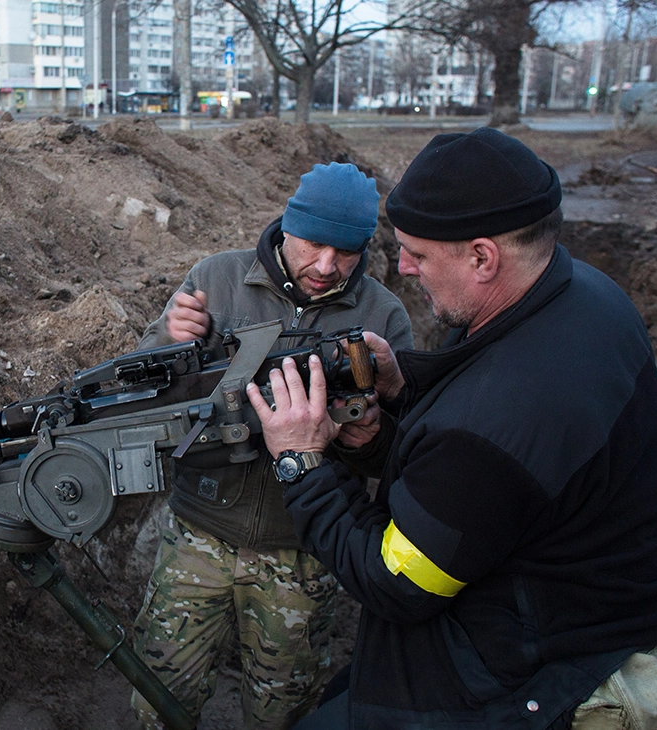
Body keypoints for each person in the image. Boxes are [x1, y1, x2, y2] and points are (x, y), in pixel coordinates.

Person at [247, 127, 657, 729]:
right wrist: (403, 382)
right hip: (600, 601)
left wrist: (301, 461)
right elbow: (483, 381)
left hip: (534, 668)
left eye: (417, 252)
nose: (404, 268)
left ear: (483, 256)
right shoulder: (586, 296)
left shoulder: (500, 424)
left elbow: (395, 584)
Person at [130, 162, 414, 729]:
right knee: (158, 696)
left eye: (347, 253)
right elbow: (144, 393)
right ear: (287, 224)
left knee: (286, 711)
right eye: (313, 245)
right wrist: (167, 338)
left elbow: (404, 453)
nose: (326, 267)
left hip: (305, 553)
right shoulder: (218, 278)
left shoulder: (383, 317)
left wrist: (367, 439)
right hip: (198, 535)